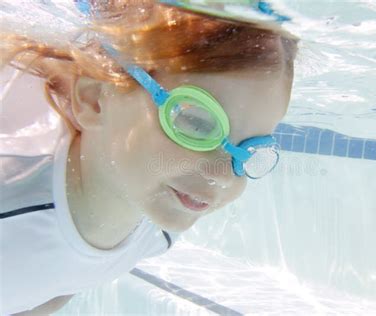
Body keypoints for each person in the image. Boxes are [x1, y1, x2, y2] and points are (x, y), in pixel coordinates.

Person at [0, 1, 298, 314]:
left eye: (252, 147)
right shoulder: (10, 214)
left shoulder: (162, 222)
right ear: (95, 99)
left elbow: (64, 279)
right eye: (196, 122)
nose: (224, 175)